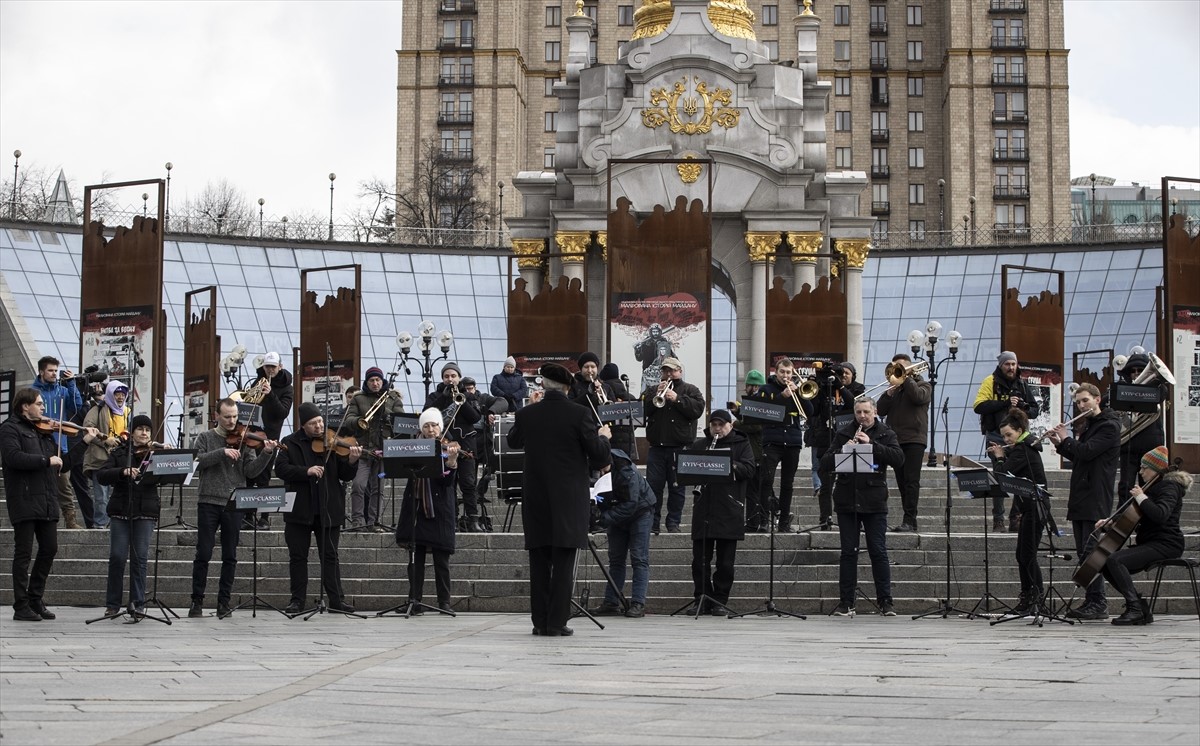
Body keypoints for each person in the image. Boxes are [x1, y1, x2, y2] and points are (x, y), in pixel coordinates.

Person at [507, 362, 611, 637]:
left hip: (536, 500)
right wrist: (604, 438)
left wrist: (527, 408)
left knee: (539, 561)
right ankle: (556, 622)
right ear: (567, 387)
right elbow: (599, 456)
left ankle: (539, 621)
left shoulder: (527, 414)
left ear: (542, 385)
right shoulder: (579, 414)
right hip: (568, 500)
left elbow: (513, 441)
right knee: (564, 562)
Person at [0, 388, 97, 621]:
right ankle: (21, 605)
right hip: (24, 499)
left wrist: (84, 441)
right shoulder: (9, 428)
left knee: (50, 548)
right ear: (25, 406)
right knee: (23, 553)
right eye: (39, 404)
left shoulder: (44, 432)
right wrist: (45, 460)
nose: (44, 409)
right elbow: (13, 458)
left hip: (46, 500)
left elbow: (62, 465)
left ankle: (35, 598)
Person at [188, 398, 278, 619]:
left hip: (234, 501)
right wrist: (222, 453)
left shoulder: (245, 440)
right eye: (227, 416)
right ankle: (196, 602)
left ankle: (223, 603)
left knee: (230, 555)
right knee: (204, 553)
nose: (232, 421)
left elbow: (251, 472)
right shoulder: (206, 437)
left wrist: (266, 454)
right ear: (217, 415)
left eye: (235, 416)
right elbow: (195, 462)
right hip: (208, 500)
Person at [820, 397, 904, 617]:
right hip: (847, 500)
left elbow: (898, 459)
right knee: (849, 552)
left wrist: (872, 446)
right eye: (858, 412)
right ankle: (846, 602)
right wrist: (843, 451)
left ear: (874, 412)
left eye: (866, 412)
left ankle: (886, 601)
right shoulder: (844, 433)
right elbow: (825, 463)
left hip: (874, 499)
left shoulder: (886, 433)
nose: (862, 416)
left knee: (878, 550)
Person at [276, 402, 360, 614]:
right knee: (298, 557)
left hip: (329, 508)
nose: (319, 427)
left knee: (330, 556)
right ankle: (297, 601)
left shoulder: (332, 442)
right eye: (314, 423)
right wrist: (307, 471)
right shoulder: (290, 442)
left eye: (321, 422)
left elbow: (345, 475)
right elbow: (281, 469)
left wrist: (352, 461)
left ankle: (336, 600)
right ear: (303, 425)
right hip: (299, 510)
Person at [1046, 382, 1121, 621]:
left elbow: (1087, 452)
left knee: (1091, 552)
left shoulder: (1109, 426)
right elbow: (1080, 457)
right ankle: (1092, 600)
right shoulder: (1090, 426)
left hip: (1095, 496)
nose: (1081, 405)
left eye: (1085, 400)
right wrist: (1059, 444)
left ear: (1097, 399)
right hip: (1081, 494)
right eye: (1078, 402)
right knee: (1083, 552)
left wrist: (1067, 437)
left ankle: (1098, 602)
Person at [1099, 446, 1189, 625]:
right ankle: (1140, 606)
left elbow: (1160, 514)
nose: (1140, 472)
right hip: (1151, 542)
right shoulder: (1152, 487)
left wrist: (1141, 497)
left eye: (1144, 468)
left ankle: (1135, 608)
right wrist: (1110, 521)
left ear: (1155, 469)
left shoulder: (1169, 487)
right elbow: (1134, 514)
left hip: (1166, 543)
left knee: (1116, 560)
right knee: (1103, 562)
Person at [687, 410, 755, 615]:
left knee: (725, 562)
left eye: (721, 425)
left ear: (730, 425)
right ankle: (701, 598)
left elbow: (750, 469)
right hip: (704, 509)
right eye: (713, 425)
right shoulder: (700, 444)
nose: (717, 429)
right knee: (700, 560)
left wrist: (728, 464)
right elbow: (687, 469)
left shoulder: (742, 444)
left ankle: (719, 599)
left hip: (729, 508)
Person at [395, 408, 460, 613]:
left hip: (439, 508)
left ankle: (444, 602)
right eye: (426, 426)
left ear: (440, 427)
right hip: (416, 508)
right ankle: (414, 600)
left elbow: (448, 482)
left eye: (434, 425)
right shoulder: (412, 446)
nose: (431, 430)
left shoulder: (447, 446)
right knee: (416, 559)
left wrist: (451, 461)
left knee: (441, 559)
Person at [96, 414, 161, 615]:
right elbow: (102, 475)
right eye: (140, 429)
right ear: (131, 432)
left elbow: (169, 477)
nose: (144, 433)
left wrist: (169, 459)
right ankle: (112, 604)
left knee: (139, 558)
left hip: (146, 510)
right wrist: (123, 471)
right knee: (117, 556)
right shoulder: (119, 452)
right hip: (121, 510)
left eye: (148, 430)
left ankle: (137, 604)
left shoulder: (154, 454)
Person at [986, 408, 1049, 613]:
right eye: (1004, 436)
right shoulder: (1023, 446)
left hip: (1036, 506)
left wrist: (999, 456)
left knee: (1027, 555)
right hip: (1028, 507)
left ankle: (1036, 599)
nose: (1006, 439)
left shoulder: (1024, 449)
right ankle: (1028, 598)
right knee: (1021, 555)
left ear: (1019, 430)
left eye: (1009, 435)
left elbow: (1003, 474)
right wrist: (1003, 453)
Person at [973, 351, 1039, 532]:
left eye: (1013, 364)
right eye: (1007, 364)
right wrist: (1005, 403)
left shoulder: (1022, 384)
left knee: (1020, 477)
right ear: (1001, 366)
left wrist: (1022, 406)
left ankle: (1015, 518)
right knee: (999, 477)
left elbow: (1035, 410)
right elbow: (978, 406)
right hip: (996, 436)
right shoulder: (991, 381)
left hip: (1019, 438)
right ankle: (998, 519)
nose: (1011, 368)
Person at [640, 357, 705, 534]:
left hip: (680, 447)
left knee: (677, 488)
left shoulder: (691, 390)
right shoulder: (653, 389)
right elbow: (641, 411)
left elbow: (697, 410)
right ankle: (653, 523)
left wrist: (677, 399)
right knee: (654, 487)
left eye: (672, 370)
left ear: (679, 371)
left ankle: (673, 523)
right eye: (666, 370)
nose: (669, 374)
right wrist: (655, 395)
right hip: (657, 447)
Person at [591, 448, 656, 618]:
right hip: (615, 512)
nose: (599, 472)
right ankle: (611, 602)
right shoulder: (594, 467)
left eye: (602, 468)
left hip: (640, 512)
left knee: (639, 557)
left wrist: (604, 519)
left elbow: (630, 504)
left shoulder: (626, 470)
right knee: (616, 559)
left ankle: (638, 603)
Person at [745, 359, 806, 533]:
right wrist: (782, 397)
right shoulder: (766, 390)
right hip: (772, 441)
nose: (786, 376)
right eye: (782, 372)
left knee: (788, 483)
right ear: (776, 372)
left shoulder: (798, 389)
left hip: (793, 441)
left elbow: (809, 411)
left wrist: (800, 394)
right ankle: (764, 521)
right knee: (766, 481)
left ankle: (784, 522)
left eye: (789, 372)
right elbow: (761, 412)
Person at [341, 366, 404, 531]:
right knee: (358, 485)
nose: (375, 383)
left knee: (378, 488)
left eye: (377, 380)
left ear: (382, 381)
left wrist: (386, 412)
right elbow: (349, 420)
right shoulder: (358, 398)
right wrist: (360, 420)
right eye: (371, 380)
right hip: (363, 450)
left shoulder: (392, 398)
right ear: (366, 382)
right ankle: (357, 522)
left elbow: (401, 423)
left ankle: (373, 522)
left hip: (383, 450)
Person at [877, 353, 932, 532]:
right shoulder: (895, 389)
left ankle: (909, 519)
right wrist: (888, 393)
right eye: (895, 368)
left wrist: (906, 378)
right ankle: (910, 520)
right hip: (895, 440)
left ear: (910, 368)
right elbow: (880, 410)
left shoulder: (924, 385)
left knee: (911, 481)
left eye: (900, 367)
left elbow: (918, 397)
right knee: (901, 481)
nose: (896, 371)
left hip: (915, 439)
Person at [807, 362, 866, 531]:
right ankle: (825, 518)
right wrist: (817, 388)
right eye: (841, 374)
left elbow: (853, 405)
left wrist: (839, 385)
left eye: (846, 373)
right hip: (825, 439)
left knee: (852, 481)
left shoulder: (858, 389)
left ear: (853, 375)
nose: (843, 376)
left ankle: (856, 517)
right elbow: (814, 411)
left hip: (850, 438)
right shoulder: (826, 387)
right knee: (825, 483)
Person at [425, 362, 483, 532]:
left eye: (453, 376)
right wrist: (443, 398)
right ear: (442, 378)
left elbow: (475, 418)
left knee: (468, 483)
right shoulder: (435, 395)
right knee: (448, 483)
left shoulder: (469, 396)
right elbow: (427, 414)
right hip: (444, 446)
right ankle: (452, 519)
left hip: (466, 445)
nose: (450, 379)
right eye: (446, 376)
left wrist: (461, 400)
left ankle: (473, 519)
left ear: (459, 378)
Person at [31, 356, 84, 529]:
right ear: (41, 371)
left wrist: (71, 384)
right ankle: (40, 517)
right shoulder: (33, 392)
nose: (54, 374)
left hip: (60, 443)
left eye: (56, 370)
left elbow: (76, 406)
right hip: (38, 444)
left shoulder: (62, 390)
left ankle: (70, 519)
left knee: (64, 485)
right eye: (50, 370)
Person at [1108, 351, 1167, 502]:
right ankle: (1121, 518)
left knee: (1148, 486)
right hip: (1129, 446)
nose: (1136, 374)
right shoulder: (1122, 388)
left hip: (1150, 446)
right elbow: (1106, 403)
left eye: (1140, 370)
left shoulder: (1157, 388)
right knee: (1125, 485)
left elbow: (1162, 394)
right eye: (1132, 371)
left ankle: (1147, 518)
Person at [247, 351, 293, 528]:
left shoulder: (287, 388)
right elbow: (249, 403)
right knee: (249, 476)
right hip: (252, 434)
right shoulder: (257, 381)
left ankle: (264, 517)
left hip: (270, 437)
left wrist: (271, 393)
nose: (270, 370)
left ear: (280, 367)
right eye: (267, 366)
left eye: (273, 367)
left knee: (264, 477)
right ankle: (248, 515)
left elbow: (282, 412)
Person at [82, 380, 131, 528]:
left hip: (119, 459)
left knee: (117, 493)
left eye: (123, 394)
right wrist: (105, 440)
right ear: (110, 394)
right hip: (100, 459)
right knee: (101, 496)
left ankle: (115, 522)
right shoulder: (97, 409)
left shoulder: (127, 412)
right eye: (117, 394)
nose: (120, 397)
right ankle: (100, 524)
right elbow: (88, 428)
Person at [598, 362, 636, 458]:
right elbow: (635, 422)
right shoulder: (631, 397)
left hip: (608, 442)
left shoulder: (602, 395)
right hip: (628, 447)